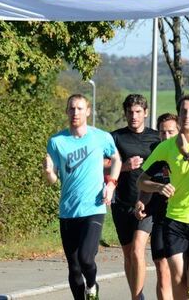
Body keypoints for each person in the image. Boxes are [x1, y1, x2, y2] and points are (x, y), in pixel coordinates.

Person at [137, 94, 189, 299]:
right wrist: (157, 187)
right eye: (183, 111)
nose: (187, 115)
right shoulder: (166, 146)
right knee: (178, 280)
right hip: (175, 221)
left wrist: (186, 153)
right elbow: (141, 181)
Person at [44, 94, 122, 300]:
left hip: (94, 208)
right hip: (68, 210)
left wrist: (111, 185)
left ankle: (92, 285)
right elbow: (52, 180)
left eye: (79, 109)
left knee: (86, 259)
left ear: (87, 111)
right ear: (66, 111)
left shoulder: (101, 137)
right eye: (71, 109)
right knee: (74, 266)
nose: (75, 113)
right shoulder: (57, 142)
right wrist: (48, 172)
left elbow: (116, 159)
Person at [110, 94, 160, 300]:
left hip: (147, 203)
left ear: (146, 113)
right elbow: (102, 163)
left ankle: (137, 297)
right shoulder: (115, 137)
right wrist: (124, 166)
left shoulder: (156, 138)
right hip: (122, 203)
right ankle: (137, 296)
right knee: (129, 254)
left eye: (138, 112)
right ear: (125, 113)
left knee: (138, 250)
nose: (134, 116)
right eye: (130, 112)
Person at [135, 113, 179, 300]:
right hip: (160, 216)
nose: (166, 137)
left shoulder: (188, 153)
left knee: (186, 273)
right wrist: (141, 201)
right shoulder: (156, 153)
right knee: (162, 267)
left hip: (184, 217)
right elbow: (145, 182)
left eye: (171, 132)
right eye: (162, 132)